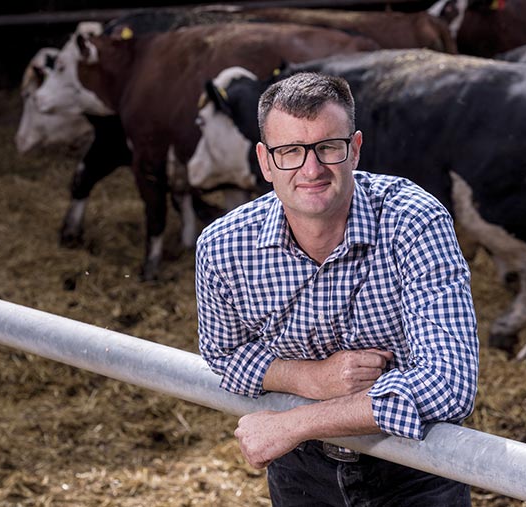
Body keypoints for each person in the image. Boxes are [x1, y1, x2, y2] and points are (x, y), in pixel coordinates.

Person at [194, 72, 479, 505]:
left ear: (355, 150)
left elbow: (449, 383)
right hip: (301, 473)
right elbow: (224, 354)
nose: (312, 169)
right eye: (290, 151)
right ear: (265, 161)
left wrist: (296, 423)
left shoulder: (414, 221)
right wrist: (312, 377)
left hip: (416, 463)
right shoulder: (223, 247)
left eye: (328, 147)